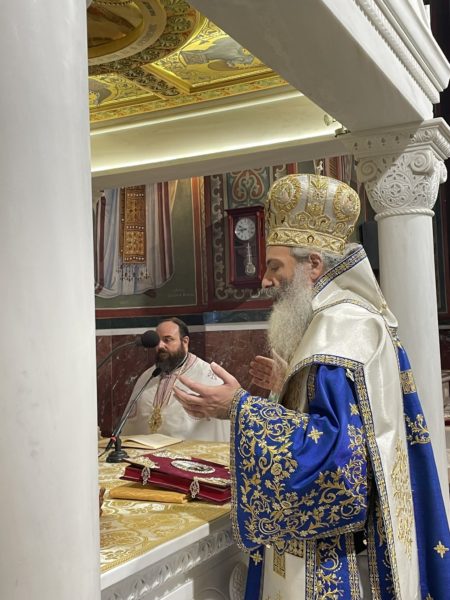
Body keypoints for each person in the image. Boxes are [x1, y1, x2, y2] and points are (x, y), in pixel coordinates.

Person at [174, 174, 450, 599]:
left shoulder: (341, 331)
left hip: (334, 559)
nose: (265, 280)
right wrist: (286, 385)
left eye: (274, 266)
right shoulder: (346, 321)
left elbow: (339, 459)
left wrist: (239, 407)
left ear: (314, 265)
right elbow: (348, 420)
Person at [122, 317, 229, 442]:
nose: (160, 346)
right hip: (148, 451)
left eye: (167, 340)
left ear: (185, 342)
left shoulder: (208, 377)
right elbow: (131, 426)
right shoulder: (147, 376)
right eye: (158, 341)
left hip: (188, 452)